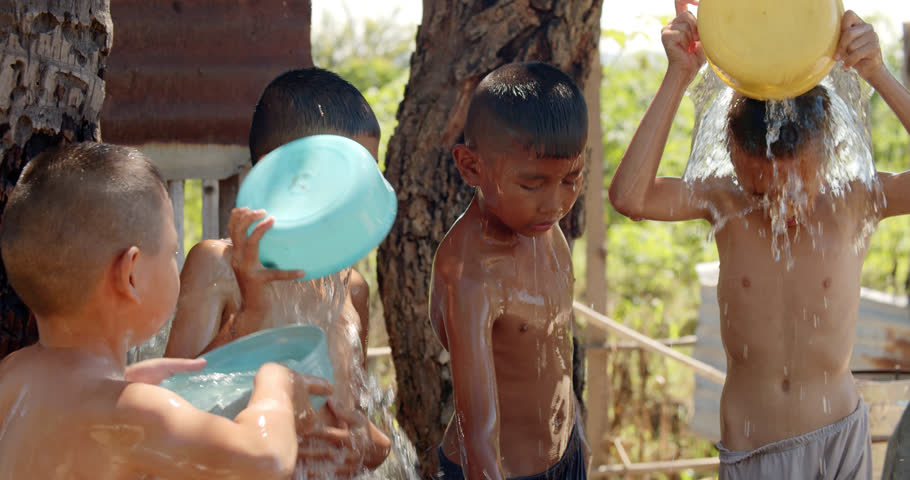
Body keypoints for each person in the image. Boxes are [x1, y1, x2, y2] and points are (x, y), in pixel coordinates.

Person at [609, 3, 910, 478]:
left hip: (838, 439)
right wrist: (679, 75)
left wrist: (878, 73)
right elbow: (629, 196)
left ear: (829, 152)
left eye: (796, 188)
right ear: (732, 159)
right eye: (758, 189)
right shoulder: (725, 204)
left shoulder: (854, 203)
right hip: (754, 452)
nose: (778, 206)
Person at [0, 142, 337, 479]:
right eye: (172, 251)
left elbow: (71, 407)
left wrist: (126, 378)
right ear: (131, 274)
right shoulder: (133, 413)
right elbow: (263, 461)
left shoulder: (12, 375)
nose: (176, 263)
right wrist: (277, 386)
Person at [164, 67, 390, 473]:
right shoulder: (219, 268)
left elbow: (352, 420)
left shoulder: (349, 286)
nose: (360, 196)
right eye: (346, 178)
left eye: (369, 176)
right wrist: (250, 317)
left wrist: (371, 447)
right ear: (281, 176)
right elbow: (171, 411)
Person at [429, 61, 589, 480]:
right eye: (533, 184)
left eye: (572, 178)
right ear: (471, 167)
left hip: (566, 454)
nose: (555, 203)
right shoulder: (469, 275)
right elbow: (477, 435)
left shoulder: (543, 227)